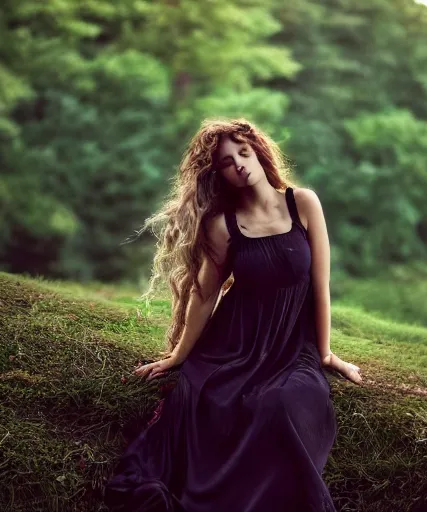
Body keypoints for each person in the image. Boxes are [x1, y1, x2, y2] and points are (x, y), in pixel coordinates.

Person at [103, 118, 363, 512]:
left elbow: (320, 287)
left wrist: (325, 354)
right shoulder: (222, 226)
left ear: (258, 151)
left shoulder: (303, 203)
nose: (239, 163)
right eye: (227, 161)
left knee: (280, 404)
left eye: (243, 152)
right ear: (217, 172)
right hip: (233, 345)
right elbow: (205, 296)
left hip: (293, 348)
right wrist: (180, 355)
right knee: (211, 401)